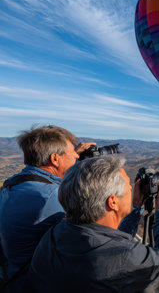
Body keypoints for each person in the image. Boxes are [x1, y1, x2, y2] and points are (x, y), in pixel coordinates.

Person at [28, 156, 159, 292]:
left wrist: (136, 208)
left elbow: (112, 241)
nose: (132, 188)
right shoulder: (125, 256)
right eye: (128, 186)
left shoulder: (55, 233)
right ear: (112, 202)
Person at [0, 125, 95, 292]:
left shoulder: (14, 182)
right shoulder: (53, 197)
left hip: (11, 278)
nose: (76, 155)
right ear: (55, 159)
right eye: (72, 152)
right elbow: (93, 242)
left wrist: (74, 157)